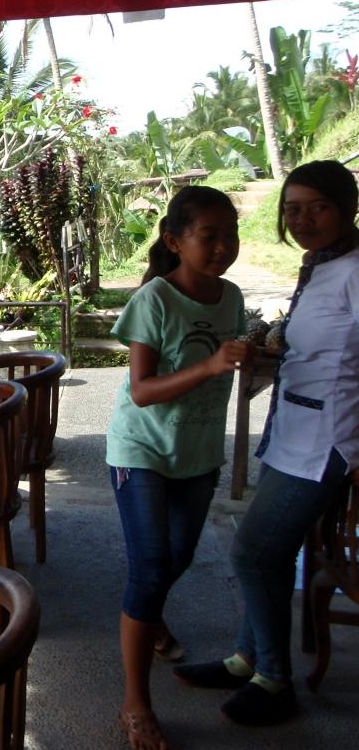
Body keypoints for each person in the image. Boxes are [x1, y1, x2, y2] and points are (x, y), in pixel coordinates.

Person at [175, 160, 359, 727]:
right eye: (292, 209)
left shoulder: (355, 270)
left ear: (347, 208)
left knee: (252, 551)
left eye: (317, 208)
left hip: (329, 441)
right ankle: (247, 659)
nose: (302, 220)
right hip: (295, 434)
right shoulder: (321, 265)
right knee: (271, 553)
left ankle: (275, 681)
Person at [105, 185, 249, 750]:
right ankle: (135, 703)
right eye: (209, 237)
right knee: (150, 567)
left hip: (198, 452)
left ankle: (148, 617)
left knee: (177, 558)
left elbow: (227, 361)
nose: (223, 247)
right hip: (141, 448)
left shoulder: (232, 297)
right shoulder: (155, 298)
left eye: (230, 236)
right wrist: (211, 366)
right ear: (174, 241)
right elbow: (142, 391)